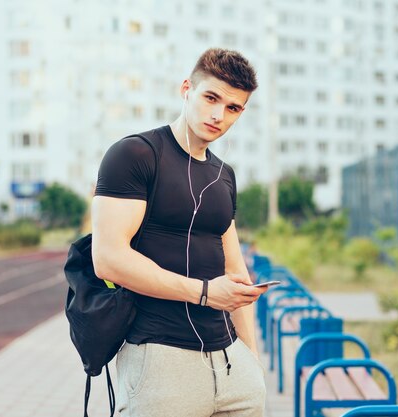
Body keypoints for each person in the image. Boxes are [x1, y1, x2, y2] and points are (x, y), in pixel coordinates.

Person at [91, 48, 268, 417]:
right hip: (161, 358)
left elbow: (235, 270)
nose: (219, 115)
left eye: (233, 108)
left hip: (232, 364)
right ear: (187, 89)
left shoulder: (224, 174)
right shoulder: (134, 155)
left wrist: (251, 359)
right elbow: (108, 259)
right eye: (211, 98)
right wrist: (204, 293)